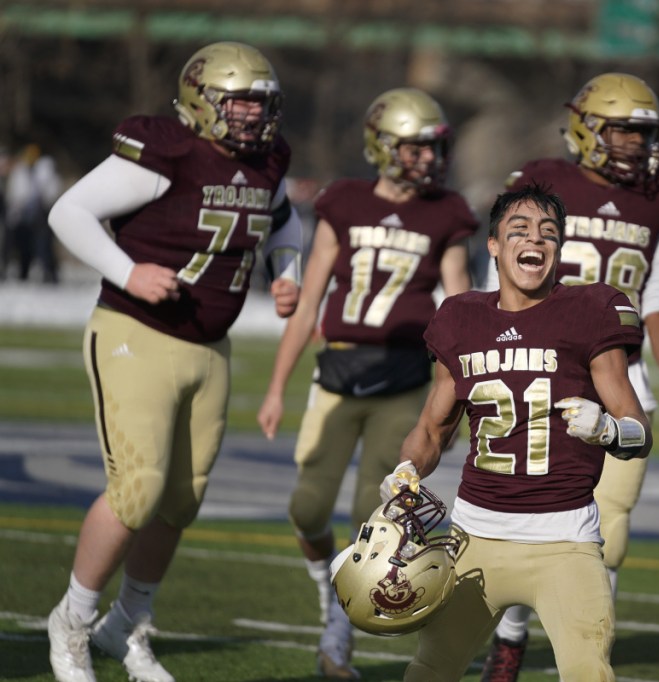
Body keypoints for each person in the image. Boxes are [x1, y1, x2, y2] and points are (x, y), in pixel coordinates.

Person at [45, 42, 303, 682]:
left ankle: (125, 627)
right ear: (201, 99)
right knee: (136, 489)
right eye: (239, 101)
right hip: (137, 332)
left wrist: (286, 272)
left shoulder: (268, 162)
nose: (252, 115)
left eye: (260, 103)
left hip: (211, 348)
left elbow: (287, 221)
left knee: (181, 502)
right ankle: (71, 622)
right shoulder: (168, 152)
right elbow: (67, 211)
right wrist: (128, 271)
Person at [345, 182, 651, 681]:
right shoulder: (461, 317)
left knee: (588, 671)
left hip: (565, 539)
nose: (536, 239)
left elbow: (640, 433)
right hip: (475, 537)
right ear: (494, 245)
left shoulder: (590, 311)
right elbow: (432, 426)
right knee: (429, 670)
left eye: (549, 232)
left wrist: (609, 430)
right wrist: (407, 468)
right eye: (521, 230)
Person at [256, 87, 475, 678]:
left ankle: (336, 637)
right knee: (307, 508)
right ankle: (330, 590)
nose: (429, 159)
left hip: (402, 379)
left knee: (366, 511)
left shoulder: (446, 214)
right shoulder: (345, 202)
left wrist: (453, 400)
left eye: (435, 148)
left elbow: (457, 311)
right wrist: (277, 387)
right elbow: (308, 305)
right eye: (416, 148)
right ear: (383, 147)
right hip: (338, 373)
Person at [483, 72, 659, 679]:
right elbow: (498, 273)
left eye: (642, 133)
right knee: (527, 515)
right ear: (587, 127)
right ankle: (512, 634)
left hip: (621, 375)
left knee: (613, 531)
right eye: (622, 130)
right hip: (538, 374)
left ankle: (587, 653)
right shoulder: (537, 183)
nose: (633, 144)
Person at [4, 142, 61, 282]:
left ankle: (50, 274)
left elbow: (53, 192)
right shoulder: (20, 172)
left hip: (42, 215)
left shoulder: (46, 171)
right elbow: (15, 194)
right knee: (24, 247)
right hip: (23, 216)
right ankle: (23, 273)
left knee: (44, 246)